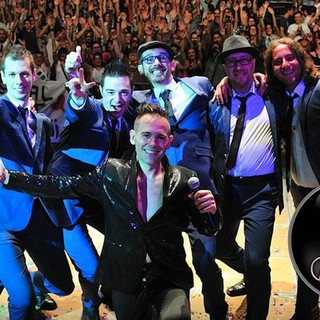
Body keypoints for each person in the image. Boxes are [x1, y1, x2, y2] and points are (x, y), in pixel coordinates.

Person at [0, 103, 218, 320]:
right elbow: (60, 185)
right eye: (146, 135)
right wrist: (10, 178)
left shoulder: (183, 179)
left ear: (169, 141)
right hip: (125, 276)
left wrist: (210, 212)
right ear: (133, 137)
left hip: (169, 275)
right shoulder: (112, 173)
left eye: (160, 137)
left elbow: (208, 227)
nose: (153, 143)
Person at [133, 40, 228, 320]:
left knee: (206, 263)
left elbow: (230, 90)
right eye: (149, 60)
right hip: (161, 200)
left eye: (162, 57)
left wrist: (228, 81)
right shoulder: (139, 103)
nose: (157, 63)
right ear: (141, 69)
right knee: (169, 263)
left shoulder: (198, 85)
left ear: (172, 63)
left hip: (199, 192)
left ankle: (218, 313)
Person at [46, 57, 135, 318]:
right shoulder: (92, 109)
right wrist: (77, 96)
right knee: (92, 268)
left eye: (123, 92)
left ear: (131, 92)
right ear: (100, 90)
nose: (117, 99)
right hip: (66, 203)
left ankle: (109, 294)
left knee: (129, 237)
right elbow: (79, 107)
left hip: (96, 199)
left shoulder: (127, 118)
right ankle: (87, 304)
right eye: (110, 92)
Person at [209, 35, 283, 320]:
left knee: (257, 259)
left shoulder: (271, 96)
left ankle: (257, 311)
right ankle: (253, 278)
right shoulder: (217, 102)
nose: (238, 67)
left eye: (243, 60)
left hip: (260, 191)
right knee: (219, 247)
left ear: (254, 63)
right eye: (231, 62)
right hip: (226, 190)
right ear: (225, 68)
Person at [0, 44, 74, 320]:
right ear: (3, 77)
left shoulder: (41, 121)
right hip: (4, 219)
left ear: (34, 75)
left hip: (39, 215)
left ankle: (33, 279)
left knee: (64, 286)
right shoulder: (2, 110)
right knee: (21, 299)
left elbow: (48, 167)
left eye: (24, 74)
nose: (19, 81)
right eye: (12, 74)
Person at [265, 37, 320, 320]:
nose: (285, 65)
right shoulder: (281, 98)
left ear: (301, 58)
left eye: (290, 58)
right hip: (301, 188)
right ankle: (306, 312)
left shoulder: (318, 88)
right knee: (308, 254)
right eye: (277, 61)